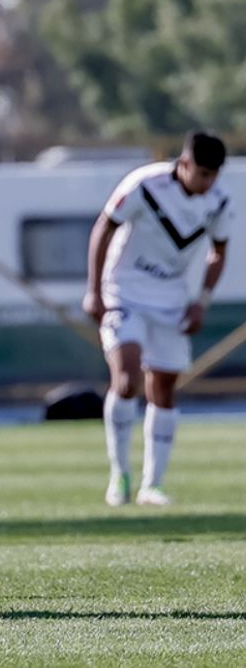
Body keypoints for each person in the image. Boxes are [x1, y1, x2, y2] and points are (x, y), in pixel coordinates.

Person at [84, 131, 232, 507]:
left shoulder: (218, 202)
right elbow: (105, 226)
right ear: (183, 164)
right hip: (125, 293)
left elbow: (218, 252)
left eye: (213, 174)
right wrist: (94, 290)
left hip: (172, 303)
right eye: (201, 173)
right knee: (128, 378)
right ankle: (119, 476)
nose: (208, 181)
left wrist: (200, 301)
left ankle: (154, 484)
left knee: (163, 388)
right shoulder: (144, 185)